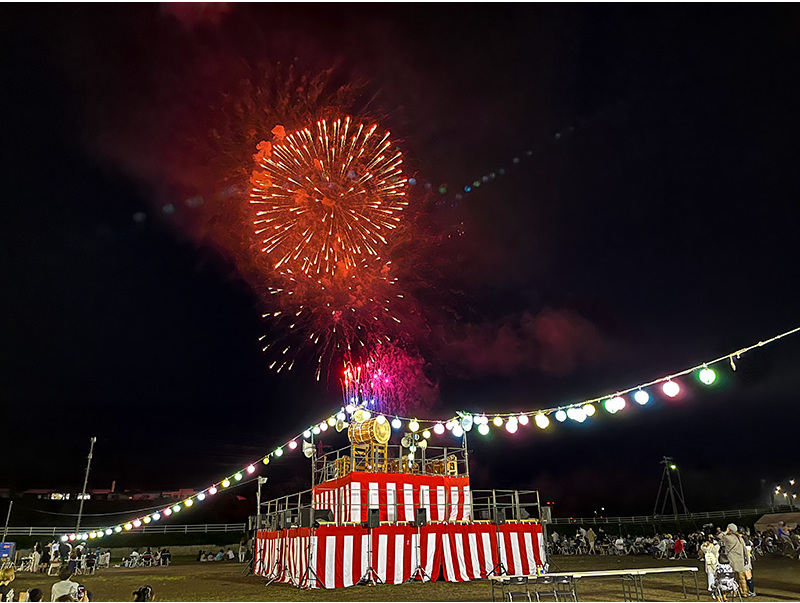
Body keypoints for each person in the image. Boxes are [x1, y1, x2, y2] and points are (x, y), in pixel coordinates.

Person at [718, 523, 750, 596]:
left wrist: (726, 531)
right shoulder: (740, 538)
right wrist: (746, 558)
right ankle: (744, 592)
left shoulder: (728, 538)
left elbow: (720, 536)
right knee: (742, 577)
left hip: (732, 559)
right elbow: (744, 548)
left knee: (733, 577)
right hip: (740, 559)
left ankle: (734, 592)